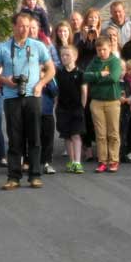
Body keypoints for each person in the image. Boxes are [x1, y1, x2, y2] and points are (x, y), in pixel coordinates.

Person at [0, 11, 54, 189]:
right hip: (12, 98)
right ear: (14, 26)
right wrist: (6, 80)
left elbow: (51, 70)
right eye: (21, 26)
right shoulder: (2, 48)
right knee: (14, 138)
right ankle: (13, 177)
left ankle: (35, 175)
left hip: (33, 96)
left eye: (27, 26)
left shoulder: (38, 46)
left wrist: (41, 84)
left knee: (34, 137)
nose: (25, 29)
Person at [84, 34, 123, 172]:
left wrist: (95, 79)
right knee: (100, 134)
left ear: (110, 48)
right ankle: (102, 160)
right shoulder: (94, 62)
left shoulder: (114, 61)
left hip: (112, 101)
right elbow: (85, 76)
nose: (102, 52)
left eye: (104, 49)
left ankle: (113, 160)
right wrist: (99, 75)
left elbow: (113, 78)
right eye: (99, 50)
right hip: (97, 102)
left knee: (113, 132)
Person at [52, 45, 86, 173]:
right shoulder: (59, 74)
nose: (64, 57)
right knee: (66, 135)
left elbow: (84, 91)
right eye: (62, 55)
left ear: (75, 57)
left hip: (76, 108)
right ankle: (71, 161)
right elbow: (57, 91)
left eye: (68, 55)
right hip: (63, 108)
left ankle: (77, 162)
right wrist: (56, 105)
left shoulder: (80, 73)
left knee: (76, 134)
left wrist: (82, 106)